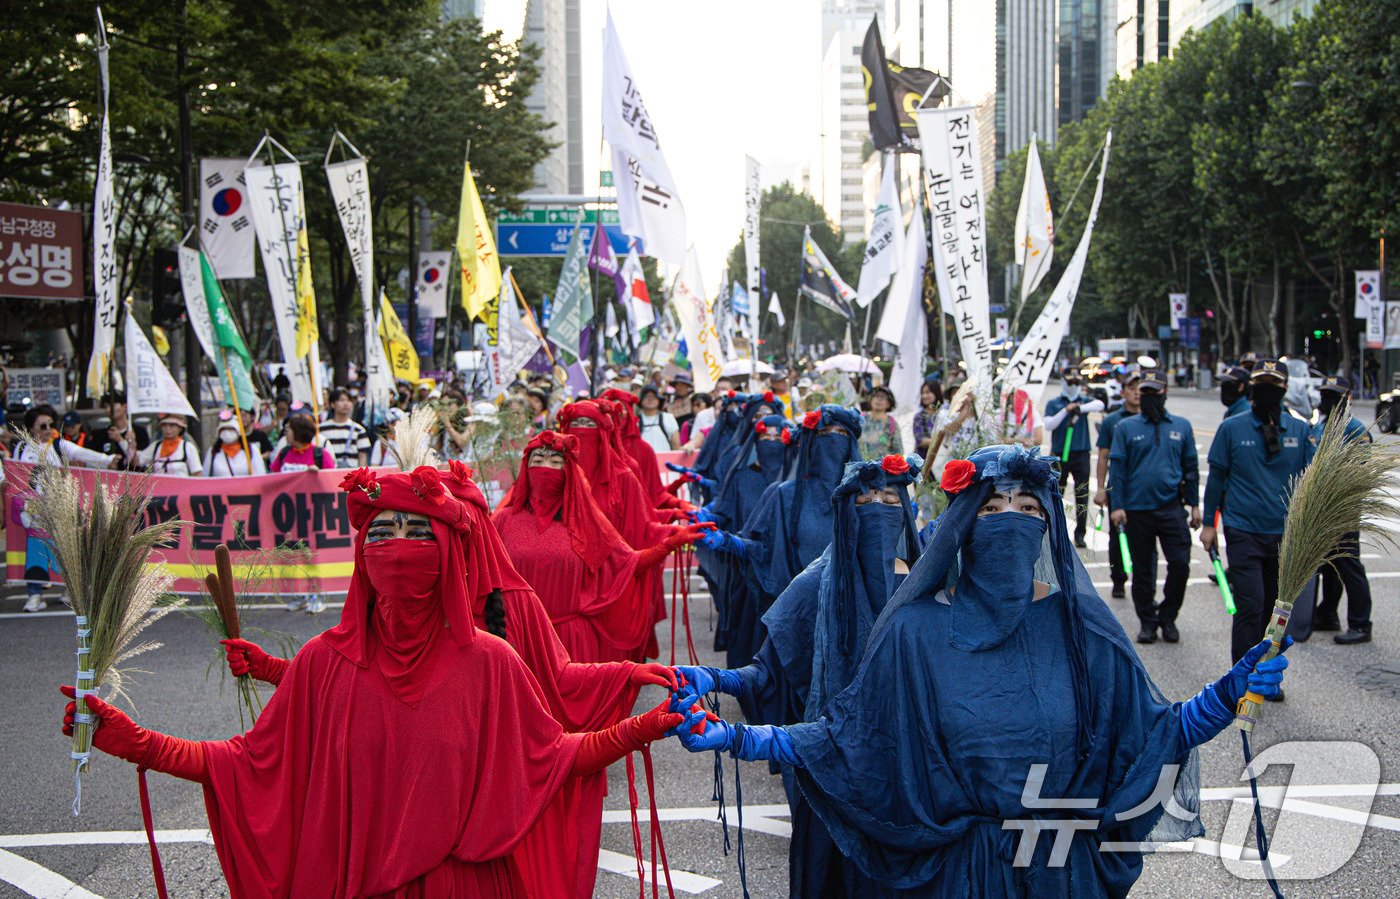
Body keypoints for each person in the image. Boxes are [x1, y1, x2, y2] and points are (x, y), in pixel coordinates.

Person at [669, 443, 1292, 897]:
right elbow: (848, 738)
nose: (1012, 522)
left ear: (1048, 525)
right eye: (993, 509)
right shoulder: (914, 634)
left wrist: (1223, 695)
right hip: (957, 880)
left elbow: (1153, 733)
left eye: (1028, 509)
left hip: (1059, 874)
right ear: (964, 529)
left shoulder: (1082, 631)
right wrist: (741, 737)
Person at [64, 466, 682, 897]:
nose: (397, 546)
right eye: (381, 532)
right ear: (362, 554)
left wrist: (640, 728)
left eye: (418, 533)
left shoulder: (491, 662)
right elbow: (245, 765)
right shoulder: (322, 663)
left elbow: (554, 757)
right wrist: (138, 742)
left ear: (449, 552)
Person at [676, 455, 922, 897]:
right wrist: (714, 680)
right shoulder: (816, 585)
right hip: (832, 770)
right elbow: (767, 672)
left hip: (919, 780)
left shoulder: (934, 587)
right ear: (845, 511)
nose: (880, 508)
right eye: (866, 499)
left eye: (890, 498)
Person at [493, 431, 709, 663]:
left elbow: (628, 564)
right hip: (517, 640)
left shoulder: (586, 523)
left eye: (556, 462)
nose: (546, 468)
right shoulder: (503, 520)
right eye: (537, 461)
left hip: (570, 646)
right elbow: (477, 573)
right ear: (526, 469)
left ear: (569, 472)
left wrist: (669, 544)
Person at [698, 405, 863, 669]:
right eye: (825, 434)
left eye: (841, 433)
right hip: (797, 610)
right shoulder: (785, 495)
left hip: (849, 611)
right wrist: (731, 542)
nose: (833, 441)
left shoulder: (865, 498)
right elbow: (766, 551)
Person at [1202, 359, 1315, 674]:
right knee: (1250, 607)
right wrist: (1209, 524)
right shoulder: (1231, 428)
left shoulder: (1299, 430)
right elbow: (1216, 480)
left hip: (1284, 536)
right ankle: (1241, 676)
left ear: (1284, 390)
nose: (1267, 390)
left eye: (1274, 384)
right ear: (1251, 389)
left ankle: (1268, 675)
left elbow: (1312, 481)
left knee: (1275, 612)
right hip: (1243, 531)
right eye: (1261, 383)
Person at [1108, 372, 1200, 645]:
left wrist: (1195, 505)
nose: (1148, 397)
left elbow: (1191, 469)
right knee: (1143, 570)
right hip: (1137, 511)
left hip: (1172, 508)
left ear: (1165, 392)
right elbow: (1118, 470)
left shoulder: (1181, 426)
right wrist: (1117, 505)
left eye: (1154, 392)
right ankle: (1147, 621)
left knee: (1180, 564)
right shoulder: (1126, 428)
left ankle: (1168, 616)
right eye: (1144, 392)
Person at [1312, 376, 1374, 645]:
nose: (1327, 400)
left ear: (1346, 399)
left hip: (1342, 510)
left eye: (1333, 395)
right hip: (1320, 510)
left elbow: (1358, 474)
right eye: (1324, 394)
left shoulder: (1355, 430)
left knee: (1348, 565)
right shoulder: (1320, 426)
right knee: (1328, 565)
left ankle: (1361, 623)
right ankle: (1327, 614)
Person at [1093, 371, 1141, 598]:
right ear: (1122, 392)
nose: (1137, 392)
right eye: (1131, 388)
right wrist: (1101, 488)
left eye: (1140, 387)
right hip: (1118, 487)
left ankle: (1142, 580)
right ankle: (1119, 579)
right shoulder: (1112, 421)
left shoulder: (1152, 418)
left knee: (1142, 537)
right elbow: (1103, 456)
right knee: (1117, 535)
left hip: (1143, 490)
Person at [1043, 369, 1104, 547]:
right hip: (1059, 454)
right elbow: (1048, 424)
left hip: (1081, 453)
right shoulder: (1054, 403)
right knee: (1056, 494)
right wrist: (1065, 410)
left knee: (1082, 494)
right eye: (1070, 383)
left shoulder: (1084, 401)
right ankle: (1055, 532)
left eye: (1077, 383)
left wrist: (1080, 408)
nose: (1074, 386)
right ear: (1063, 382)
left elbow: (1100, 404)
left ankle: (1080, 533)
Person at [92, 391, 150, 468]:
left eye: (113, 405)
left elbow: (141, 462)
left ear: (125, 407)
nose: (109, 410)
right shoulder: (100, 435)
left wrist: (120, 440)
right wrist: (106, 464)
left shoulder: (139, 432)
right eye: (106, 407)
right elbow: (91, 459)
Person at [203, 410, 267, 477]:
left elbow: (260, 476)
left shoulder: (251, 450)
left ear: (238, 431)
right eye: (224, 429)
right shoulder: (213, 452)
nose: (227, 432)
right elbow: (205, 478)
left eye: (231, 429)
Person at [319, 388, 370, 468]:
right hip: (328, 474)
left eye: (349, 401)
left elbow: (362, 459)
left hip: (351, 475)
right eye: (342, 400)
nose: (346, 404)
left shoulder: (359, 430)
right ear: (332, 404)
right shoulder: (321, 428)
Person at [271, 414, 335, 472]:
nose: (286, 434)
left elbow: (331, 479)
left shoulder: (320, 455)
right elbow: (274, 477)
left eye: (288, 430)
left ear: (298, 432)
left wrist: (318, 474)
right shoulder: (284, 452)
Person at [858, 385, 902, 460]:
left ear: (889, 403)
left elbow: (898, 452)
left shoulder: (892, 424)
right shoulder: (860, 419)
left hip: (881, 469)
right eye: (876, 396)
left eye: (883, 397)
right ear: (870, 399)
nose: (879, 399)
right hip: (858, 466)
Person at [636, 385, 679, 452]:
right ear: (641, 401)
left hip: (665, 461)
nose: (650, 399)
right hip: (642, 462)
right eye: (646, 396)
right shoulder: (635, 421)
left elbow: (676, 445)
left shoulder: (668, 418)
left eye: (653, 397)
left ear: (659, 400)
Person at [911, 376, 945, 457]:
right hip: (925, 459)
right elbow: (921, 441)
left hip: (943, 458)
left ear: (936, 392)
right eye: (922, 393)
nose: (924, 396)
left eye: (928, 392)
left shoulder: (944, 412)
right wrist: (942, 443)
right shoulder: (920, 416)